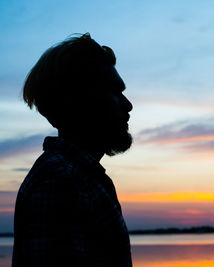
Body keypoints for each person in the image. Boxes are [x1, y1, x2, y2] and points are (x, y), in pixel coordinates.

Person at [12, 33, 133, 267]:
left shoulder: (80, 178)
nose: (127, 105)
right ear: (77, 100)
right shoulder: (60, 180)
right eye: (114, 91)